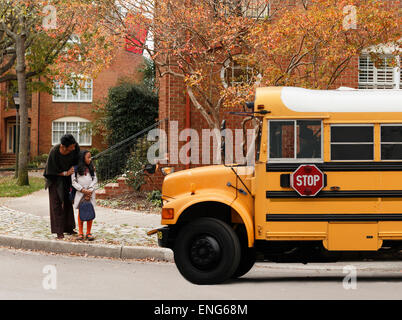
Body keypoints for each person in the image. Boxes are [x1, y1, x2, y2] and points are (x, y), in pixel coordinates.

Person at [44, 134, 80, 239]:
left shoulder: (75, 148)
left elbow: (78, 160)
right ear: (63, 146)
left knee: (68, 201)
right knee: (56, 203)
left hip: (68, 179)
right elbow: (50, 171)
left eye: (74, 145)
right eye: (71, 147)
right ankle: (58, 231)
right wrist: (65, 173)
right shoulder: (54, 152)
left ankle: (69, 228)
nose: (74, 148)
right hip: (54, 179)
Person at [71, 150, 97, 241]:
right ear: (82, 158)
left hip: (90, 193)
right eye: (88, 157)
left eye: (90, 157)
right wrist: (83, 190)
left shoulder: (91, 168)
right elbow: (73, 182)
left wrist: (89, 190)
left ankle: (88, 233)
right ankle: (80, 233)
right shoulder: (76, 169)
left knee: (89, 210)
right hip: (80, 193)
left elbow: (95, 179)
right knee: (81, 211)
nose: (90, 159)